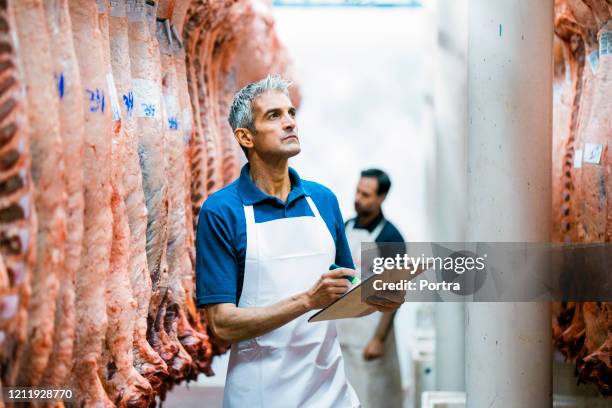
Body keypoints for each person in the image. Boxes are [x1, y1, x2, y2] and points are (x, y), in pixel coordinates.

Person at [195, 75, 402, 408]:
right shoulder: (222, 211)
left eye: (290, 113)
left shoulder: (323, 200)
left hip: (330, 392)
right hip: (261, 393)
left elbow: (345, 290)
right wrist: (307, 300)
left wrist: (376, 300)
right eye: (274, 116)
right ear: (245, 136)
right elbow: (222, 325)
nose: (290, 122)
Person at [335, 169, 405, 408]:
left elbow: (394, 293)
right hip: (344, 330)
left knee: (374, 397)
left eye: (366, 194)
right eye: (357, 191)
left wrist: (378, 339)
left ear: (381, 197)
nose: (358, 198)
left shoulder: (390, 237)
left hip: (371, 333)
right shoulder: (346, 226)